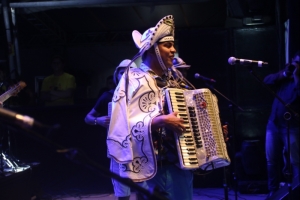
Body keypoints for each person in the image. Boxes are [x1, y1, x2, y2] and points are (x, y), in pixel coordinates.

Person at [107, 15, 196, 200]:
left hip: (180, 163)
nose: (173, 50)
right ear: (152, 49)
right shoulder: (131, 80)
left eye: (173, 45)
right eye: (167, 45)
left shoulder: (177, 78)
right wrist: (159, 121)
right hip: (151, 168)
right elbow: (119, 127)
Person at [85, 59, 138, 200]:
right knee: (122, 187)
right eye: (122, 72)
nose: (125, 75)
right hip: (117, 147)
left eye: (130, 72)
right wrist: (98, 120)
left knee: (144, 186)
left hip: (140, 146)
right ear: (116, 75)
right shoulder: (108, 96)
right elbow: (87, 117)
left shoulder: (142, 96)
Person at [263, 51, 300, 199]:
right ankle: (272, 191)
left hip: (292, 126)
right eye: (295, 62)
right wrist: (285, 74)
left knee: (295, 161)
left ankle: (297, 192)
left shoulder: (298, 80)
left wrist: (297, 77)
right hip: (274, 124)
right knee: (271, 160)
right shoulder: (285, 76)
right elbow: (267, 80)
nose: (295, 66)